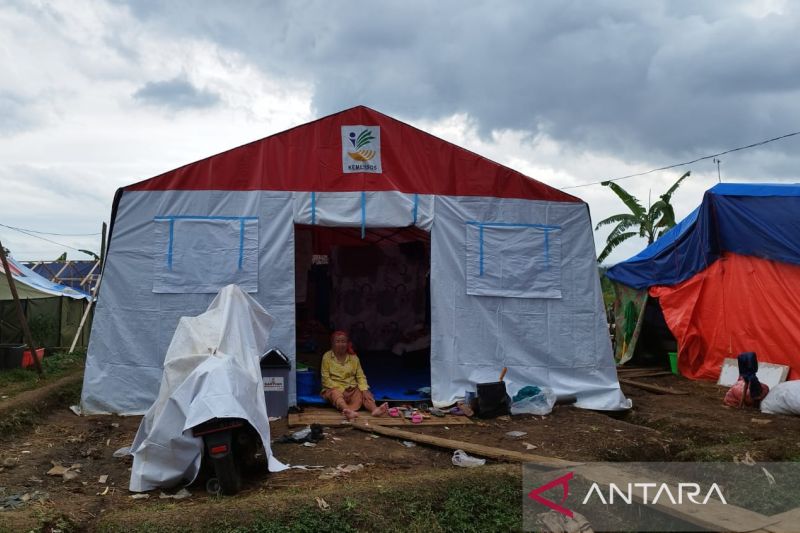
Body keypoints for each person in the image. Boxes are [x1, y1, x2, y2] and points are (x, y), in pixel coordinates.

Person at [321, 330, 388, 420]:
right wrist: (341, 389)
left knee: (365, 392)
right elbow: (325, 379)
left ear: (347, 343)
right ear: (332, 344)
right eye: (338, 342)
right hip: (334, 388)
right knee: (335, 393)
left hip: (351, 388)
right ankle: (348, 411)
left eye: (343, 342)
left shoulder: (353, 357)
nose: (341, 344)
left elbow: (360, 376)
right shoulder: (327, 357)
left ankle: (375, 409)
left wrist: (364, 389)